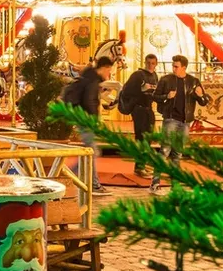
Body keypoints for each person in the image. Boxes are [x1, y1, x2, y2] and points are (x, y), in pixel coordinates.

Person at [150, 54, 208, 192]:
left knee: (178, 153)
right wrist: (166, 96)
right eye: (173, 66)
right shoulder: (166, 80)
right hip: (170, 118)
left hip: (185, 121)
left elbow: (204, 102)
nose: (174, 68)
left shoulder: (193, 82)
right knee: (165, 150)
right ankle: (155, 183)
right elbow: (154, 97)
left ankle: (174, 183)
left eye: (176, 66)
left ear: (184, 67)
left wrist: (201, 95)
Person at [61, 55, 115, 194]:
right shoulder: (92, 81)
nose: (109, 73)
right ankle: (93, 184)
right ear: (104, 68)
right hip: (85, 119)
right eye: (109, 70)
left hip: (81, 117)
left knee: (89, 152)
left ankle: (69, 176)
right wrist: (94, 120)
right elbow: (89, 101)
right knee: (92, 152)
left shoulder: (89, 77)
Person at [122, 54, 160, 178]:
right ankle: (139, 168)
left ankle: (143, 165)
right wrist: (141, 90)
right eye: (148, 63)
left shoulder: (154, 75)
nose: (150, 65)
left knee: (148, 139)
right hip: (138, 110)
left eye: (153, 63)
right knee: (141, 138)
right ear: (145, 62)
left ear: (156, 64)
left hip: (149, 109)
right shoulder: (137, 75)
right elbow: (126, 90)